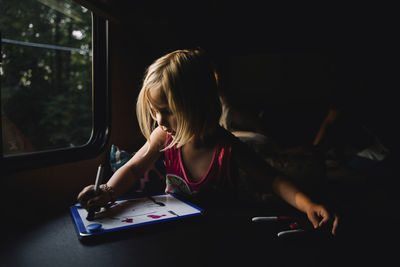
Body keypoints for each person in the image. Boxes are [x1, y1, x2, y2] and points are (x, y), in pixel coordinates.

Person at [77, 48, 338, 235]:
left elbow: (273, 179)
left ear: (196, 106)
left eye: (166, 110)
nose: (158, 120)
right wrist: (107, 192)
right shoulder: (165, 136)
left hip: (219, 232)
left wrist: (309, 205)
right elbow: (133, 168)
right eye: (154, 111)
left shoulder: (226, 145)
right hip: (175, 228)